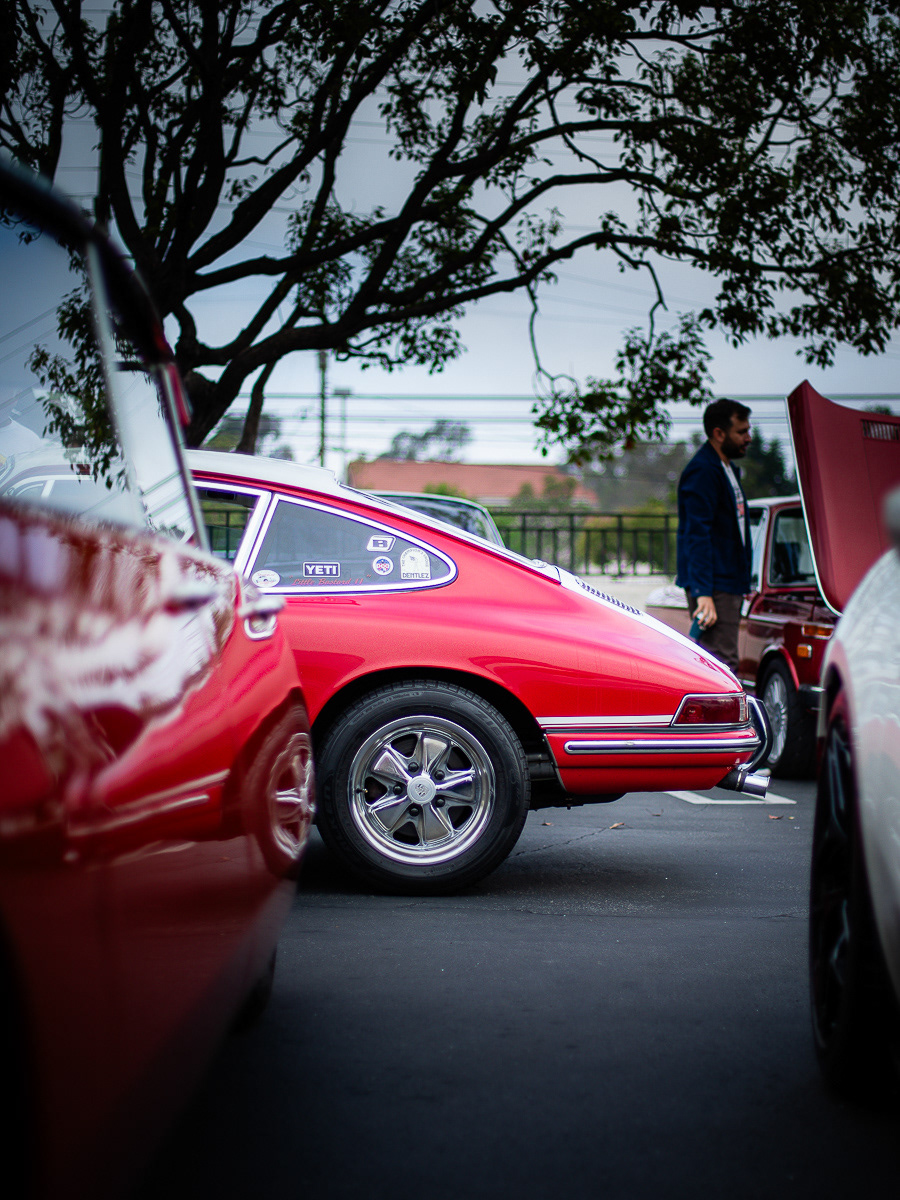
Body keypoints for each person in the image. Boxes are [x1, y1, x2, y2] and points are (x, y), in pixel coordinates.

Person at [675, 398, 752, 672]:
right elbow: (696, 534)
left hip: (727, 582)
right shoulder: (704, 471)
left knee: (719, 661)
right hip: (715, 586)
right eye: (741, 432)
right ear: (719, 433)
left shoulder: (725, 468)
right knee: (721, 664)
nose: (748, 438)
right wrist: (703, 593)